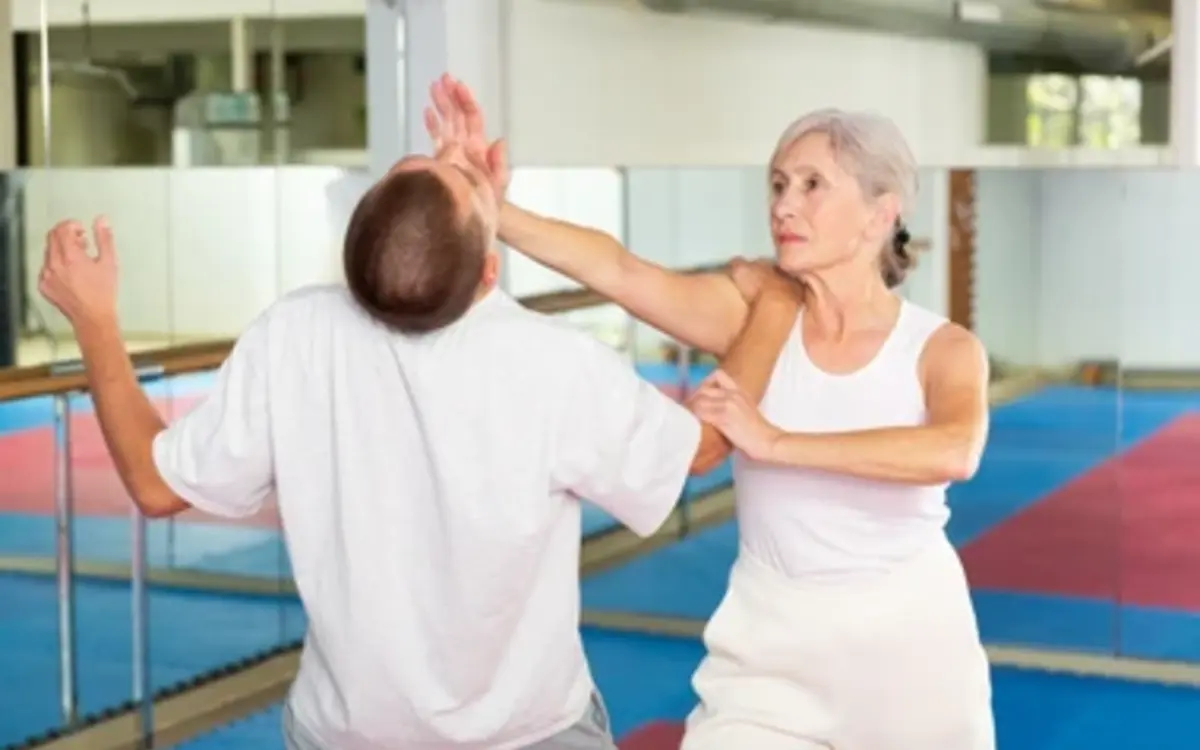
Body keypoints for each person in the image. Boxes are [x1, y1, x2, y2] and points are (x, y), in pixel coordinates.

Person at [34, 128, 798, 747]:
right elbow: (700, 445)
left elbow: (155, 482)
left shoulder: (295, 335)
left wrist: (95, 319)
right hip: (528, 733)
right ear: (490, 273)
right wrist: (772, 307)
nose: (444, 160)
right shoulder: (552, 363)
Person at [427, 77, 994, 749]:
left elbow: (953, 450)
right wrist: (492, 207)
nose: (784, 205)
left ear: (880, 214)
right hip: (769, 648)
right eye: (778, 184)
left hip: (912, 650)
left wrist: (775, 442)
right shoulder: (754, 318)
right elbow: (621, 271)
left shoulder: (942, 349)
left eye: (813, 185)